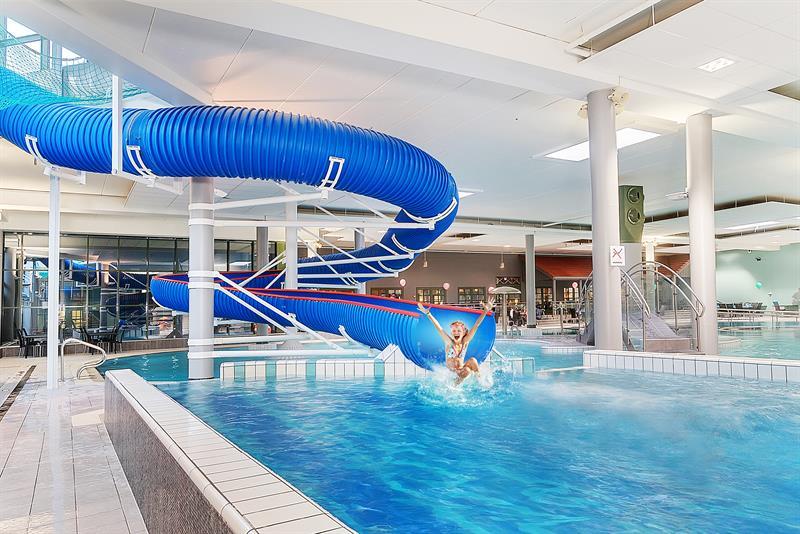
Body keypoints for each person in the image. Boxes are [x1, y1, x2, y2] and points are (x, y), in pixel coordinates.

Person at [417, 298, 494, 385]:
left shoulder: (465, 342)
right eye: (454, 331)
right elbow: (438, 327)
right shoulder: (449, 342)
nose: (456, 333)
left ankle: (480, 382)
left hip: (462, 370)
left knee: (472, 361)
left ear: (463, 332)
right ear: (451, 333)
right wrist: (428, 313)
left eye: (458, 331)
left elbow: (477, 325)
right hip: (452, 372)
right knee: (467, 370)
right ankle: (455, 385)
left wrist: (485, 311)